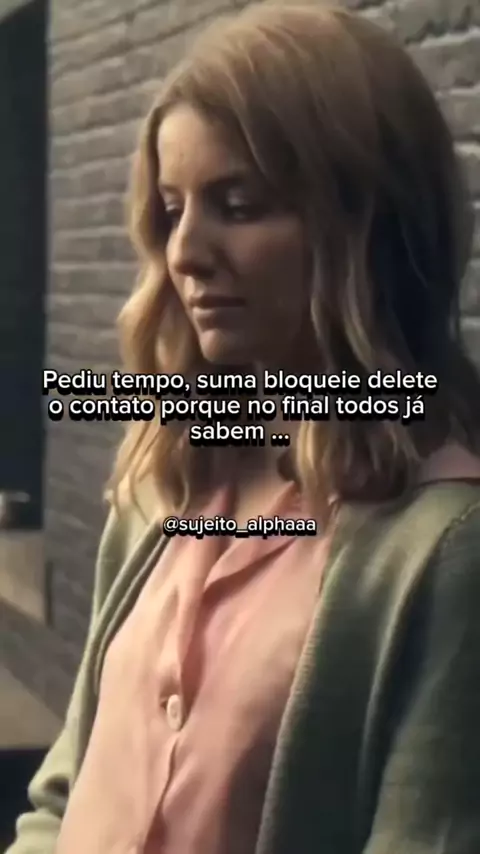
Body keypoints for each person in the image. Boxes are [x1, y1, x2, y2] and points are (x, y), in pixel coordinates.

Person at [7, 3, 480, 853]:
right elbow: (64, 793)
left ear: (364, 224)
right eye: (172, 209)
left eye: (238, 204)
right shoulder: (161, 486)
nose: (185, 252)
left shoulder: (446, 548)